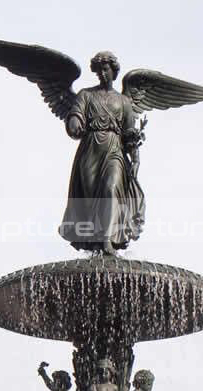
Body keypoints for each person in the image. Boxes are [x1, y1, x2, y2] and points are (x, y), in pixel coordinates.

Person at [59, 51, 145, 255]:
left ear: (114, 71)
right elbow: (75, 116)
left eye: (105, 70)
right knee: (89, 198)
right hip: (90, 149)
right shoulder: (86, 95)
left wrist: (136, 159)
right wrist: (74, 124)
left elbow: (130, 134)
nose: (102, 74)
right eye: (98, 71)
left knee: (111, 188)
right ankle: (95, 241)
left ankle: (107, 241)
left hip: (114, 150)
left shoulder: (124, 101)